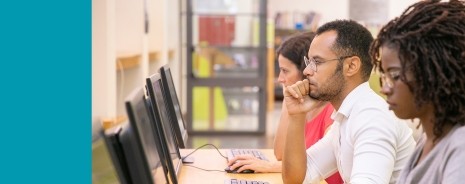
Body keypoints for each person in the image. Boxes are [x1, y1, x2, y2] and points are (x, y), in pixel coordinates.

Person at [282, 19, 416, 184]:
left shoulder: (372, 117)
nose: (307, 71)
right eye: (308, 62)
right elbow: (295, 178)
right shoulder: (345, 117)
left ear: (351, 66)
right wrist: (296, 115)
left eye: (317, 62)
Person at [227, 32, 343, 183]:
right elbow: (280, 154)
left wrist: (269, 166)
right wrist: (287, 103)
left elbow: (314, 167)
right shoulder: (304, 111)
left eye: (285, 71)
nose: (280, 78)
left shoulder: (331, 112)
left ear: (305, 73)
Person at [369, 0, 465, 183]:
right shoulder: (427, 139)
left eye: (395, 76)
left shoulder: (460, 148)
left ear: (433, 73)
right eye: (385, 76)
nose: (385, 88)